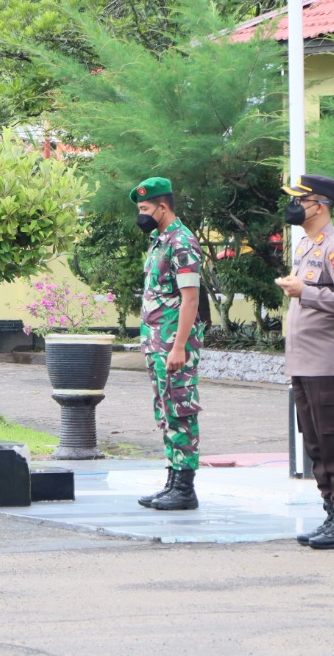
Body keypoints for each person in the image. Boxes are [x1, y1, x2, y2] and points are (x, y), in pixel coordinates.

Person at [275, 174, 334, 550]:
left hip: (329, 366)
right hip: (305, 364)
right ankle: (331, 512)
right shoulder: (307, 246)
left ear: (320, 204)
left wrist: (305, 291)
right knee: (314, 444)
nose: (294, 206)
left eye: (301, 199)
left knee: (332, 443)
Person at [132, 177, 205, 510]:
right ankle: (173, 480)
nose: (141, 214)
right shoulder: (158, 240)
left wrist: (178, 346)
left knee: (181, 410)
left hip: (175, 344)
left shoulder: (182, 242)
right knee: (166, 410)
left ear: (163, 207)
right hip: (157, 342)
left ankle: (185, 488)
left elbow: (190, 300)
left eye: (145, 208)